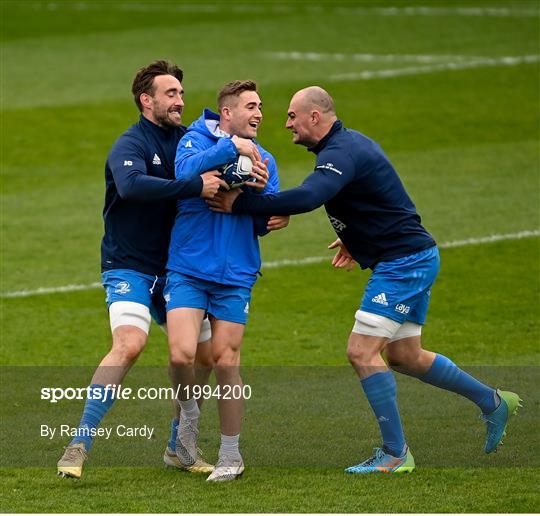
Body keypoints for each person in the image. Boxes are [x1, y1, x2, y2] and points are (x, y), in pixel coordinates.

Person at [208, 86, 521, 474]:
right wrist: (356, 236)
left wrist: (239, 204)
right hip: (410, 257)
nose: (287, 123)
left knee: (361, 352)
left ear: (315, 118)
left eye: (292, 116)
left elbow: (309, 197)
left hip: (403, 264)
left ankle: (395, 453)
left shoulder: (341, 152)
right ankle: (492, 401)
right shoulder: (343, 148)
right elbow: (379, 196)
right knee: (406, 356)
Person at [57, 60, 228, 479]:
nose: (180, 101)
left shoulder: (190, 142)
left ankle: (179, 445)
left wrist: (268, 211)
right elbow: (133, 188)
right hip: (129, 264)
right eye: (171, 94)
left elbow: (224, 181)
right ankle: (79, 444)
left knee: (202, 353)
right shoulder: (129, 145)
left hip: (177, 269)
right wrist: (192, 185)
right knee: (130, 344)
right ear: (145, 100)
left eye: (182, 94)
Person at [165, 80, 289, 482]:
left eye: (261, 108)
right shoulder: (193, 140)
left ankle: (231, 456)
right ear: (228, 113)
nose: (259, 114)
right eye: (251, 107)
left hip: (235, 274)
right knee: (182, 355)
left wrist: (266, 206)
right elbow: (184, 173)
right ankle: (186, 426)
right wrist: (230, 150)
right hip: (188, 267)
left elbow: (265, 217)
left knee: (225, 359)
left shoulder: (264, 157)